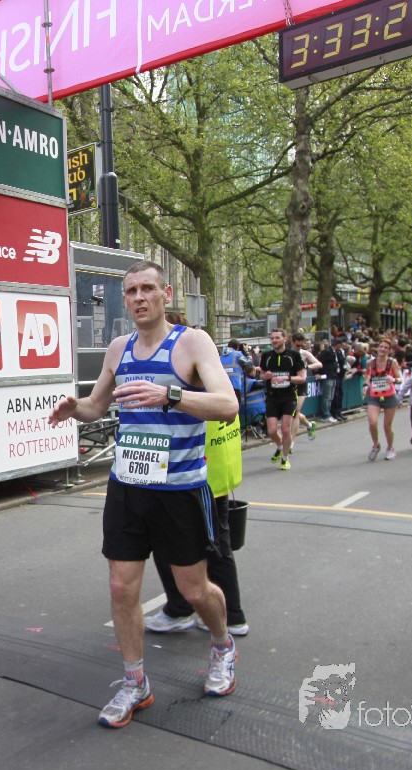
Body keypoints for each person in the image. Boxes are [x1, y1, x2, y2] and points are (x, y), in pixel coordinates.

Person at [48, 260, 239, 728]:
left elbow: (228, 405)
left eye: (148, 288)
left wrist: (170, 396)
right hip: (128, 487)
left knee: (193, 590)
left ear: (166, 294)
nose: (139, 298)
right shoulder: (119, 348)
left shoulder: (192, 342)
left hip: (180, 490)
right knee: (121, 586)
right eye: (131, 290)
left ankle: (222, 645)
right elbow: (97, 405)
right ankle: (135, 682)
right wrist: (75, 409)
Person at [144, 413, 249, 637]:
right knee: (214, 542)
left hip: (196, 469)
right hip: (212, 463)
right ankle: (221, 612)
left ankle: (217, 613)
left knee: (176, 540)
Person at [258, 328, 306, 470]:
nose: (274, 340)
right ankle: (280, 446)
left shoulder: (293, 356)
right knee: (272, 431)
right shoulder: (266, 356)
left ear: (285, 339)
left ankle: (285, 458)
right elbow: (261, 375)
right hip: (272, 397)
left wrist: (287, 378)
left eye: (277, 338)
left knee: (285, 430)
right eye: (272, 338)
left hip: (289, 397)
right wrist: (265, 376)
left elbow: (302, 378)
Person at [364, 339, 402, 461]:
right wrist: (365, 386)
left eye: (386, 348)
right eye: (381, 346)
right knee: (372, 422)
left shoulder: (392, 362)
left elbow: (400, 378)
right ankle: (376, 445)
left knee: (387, 426)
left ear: (389, 350)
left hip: (389, 395)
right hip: (374, 395)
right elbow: (367, 375)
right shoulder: (370, 362)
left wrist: (393, 380)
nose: (382, 349)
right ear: (377, 348)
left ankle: (390, 448)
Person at [291, 332, 322, 440]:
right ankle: (309, 425)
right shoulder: (287, 353)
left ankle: (291, 442)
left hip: (301, 384)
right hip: (289, 384)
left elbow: (319, 364)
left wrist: (307, 367)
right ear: (292, 342)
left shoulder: (304, 353)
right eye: (297, 345)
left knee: (295, 412)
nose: (299, 348)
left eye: (301, 345)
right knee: (291, 411)